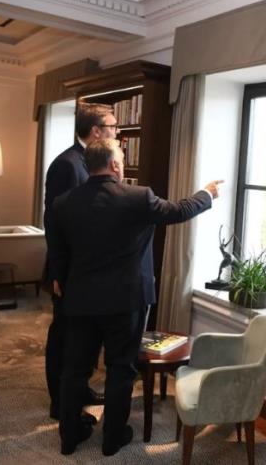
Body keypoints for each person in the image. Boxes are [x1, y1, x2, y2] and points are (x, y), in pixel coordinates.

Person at [47, 138, 221, 455]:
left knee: (75, 370)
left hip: (81, 300)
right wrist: (206, 194)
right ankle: (113, 438)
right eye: (122, 159)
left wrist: (59, 277)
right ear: (115, 165)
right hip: (125, 301)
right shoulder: (138, 197)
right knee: (120, 368)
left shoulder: (64, 203)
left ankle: (69, 437)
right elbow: (180, 211)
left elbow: (57, 249)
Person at [43, 103, 119, 424]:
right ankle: (59, 403)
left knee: (84, 339)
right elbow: (54, 222)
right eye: (112, 126)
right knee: (64, 336)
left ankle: (79, 391)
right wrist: (57, 271)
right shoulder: (67, 164)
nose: (117, 132)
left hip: (88, 270)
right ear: (96, 131)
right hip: (69, 270)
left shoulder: (90, 161)